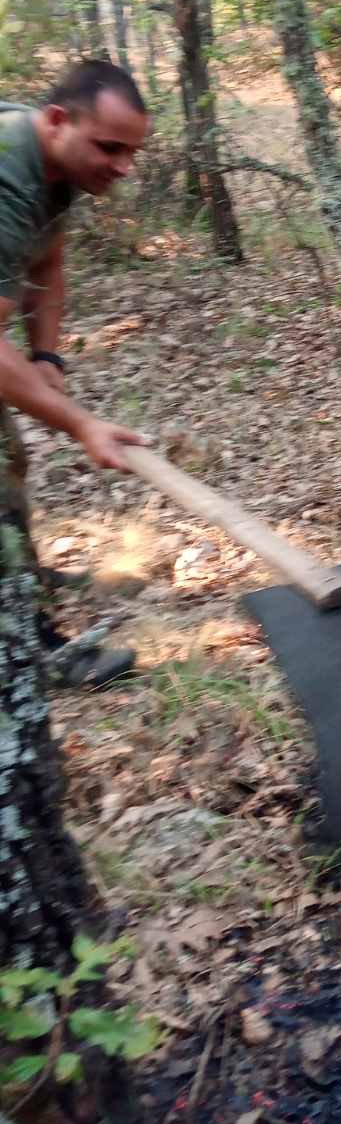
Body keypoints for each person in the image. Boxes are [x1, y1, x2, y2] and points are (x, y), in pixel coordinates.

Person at [0, 59, 150, 688]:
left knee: (9, 460)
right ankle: (25, 652)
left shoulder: (55, 171)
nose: (122, 166)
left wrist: (46, 357)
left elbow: (50, 262)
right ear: (58, 120)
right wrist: (82, 424)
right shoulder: (8, 173)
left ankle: (15, 579)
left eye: (132, 152)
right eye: (110, 147)